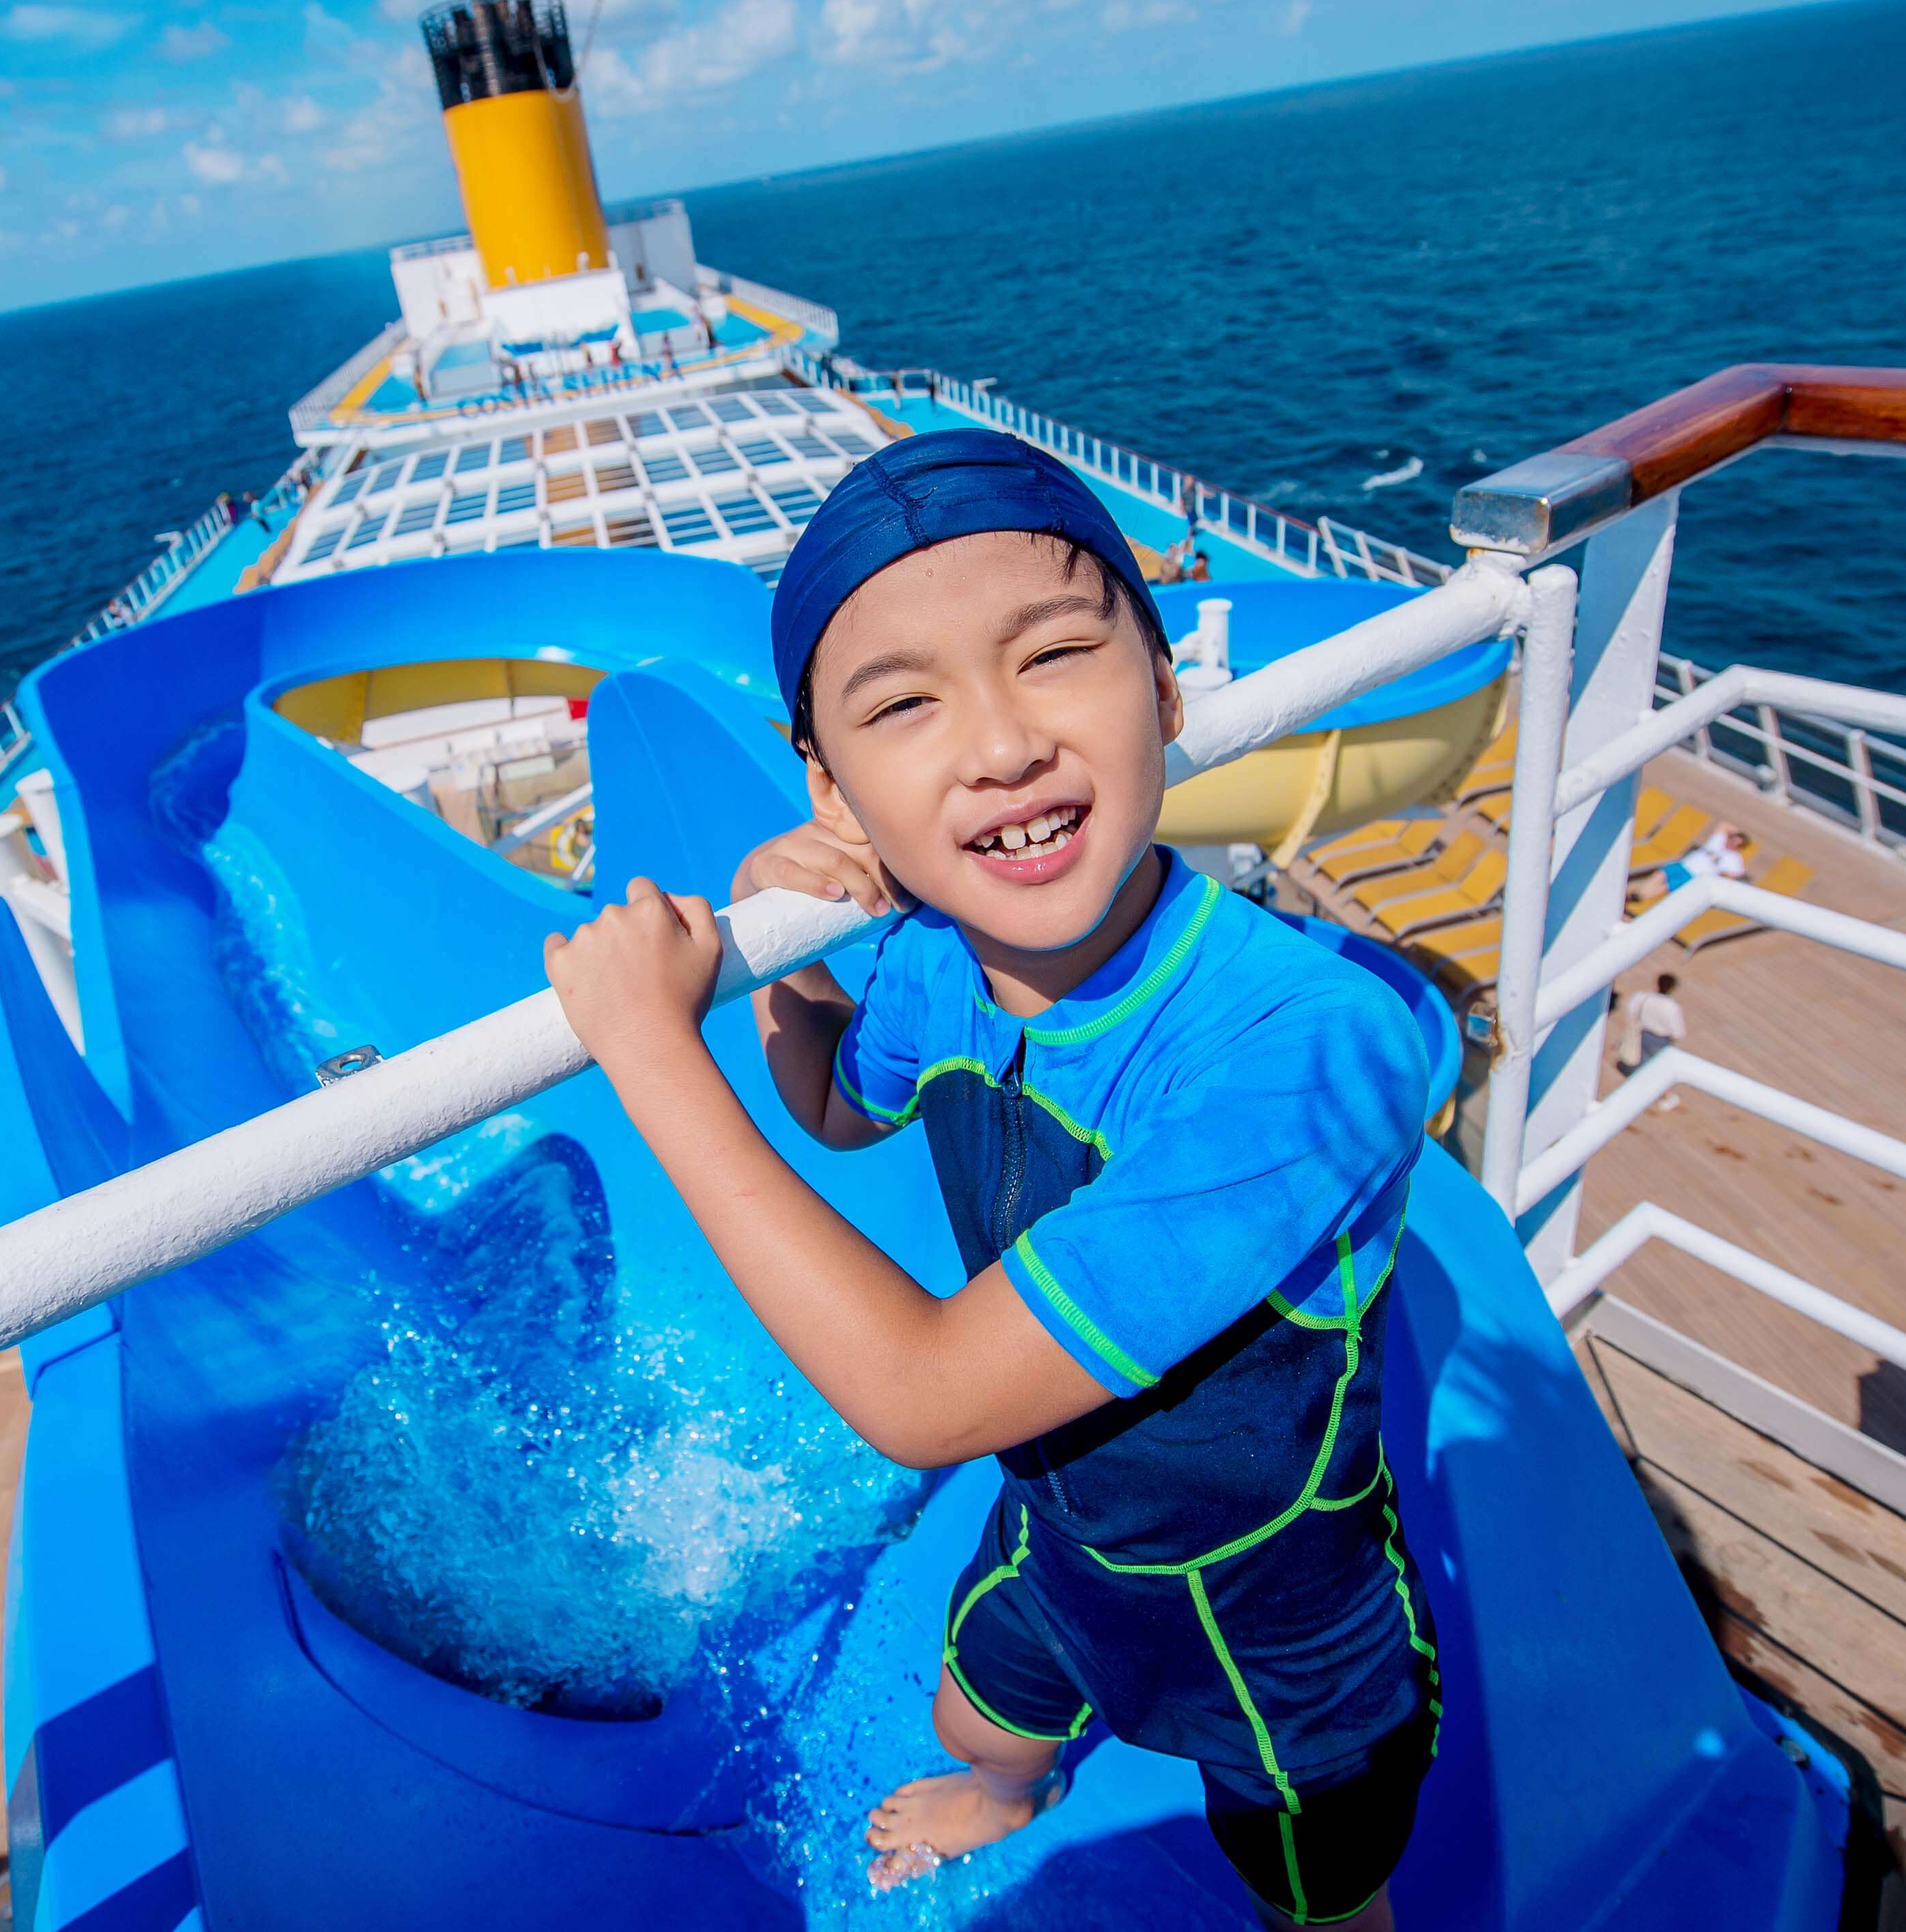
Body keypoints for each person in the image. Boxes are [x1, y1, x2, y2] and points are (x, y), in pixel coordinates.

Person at [545, 430, 1436, 1926]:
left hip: (1286, 1625)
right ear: (832, 782)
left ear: (1161, 685)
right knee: (979, 1727)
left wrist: (652, 1054)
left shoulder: (1300, 1047)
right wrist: (784, 957)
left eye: (1053, 657)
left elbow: (927, 1396)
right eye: (904, 703)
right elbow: (833, 1104)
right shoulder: (935, 967)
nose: (1002, 743)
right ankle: (1014, 1785)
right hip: (1067, 1536)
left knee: (1326, 1893)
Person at [1628, 822, 1749, 911]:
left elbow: (1733, 876)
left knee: (1665, 887)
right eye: (1733, 839)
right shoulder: (1719, 840)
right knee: (1659, 875)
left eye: (1736, 843)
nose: (1732, 843)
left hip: (1693, 876)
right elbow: (1724, 825)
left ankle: (1635, 898)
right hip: (1684, 864)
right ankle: (1636, 896)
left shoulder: (1734, 859)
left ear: (1739, 847)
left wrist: (1722, 873)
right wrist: (1737, 833)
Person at [1617, 975, 1686, 1111]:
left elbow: (1631, 1010)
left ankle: (1639, 1088)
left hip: (1642, 1034)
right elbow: (1678, 1033)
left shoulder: (1643, 998)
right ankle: (1665, 1096)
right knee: (1661, 1068)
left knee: (1640, 1061)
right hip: (1661, 1040)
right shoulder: (1672, 1007)